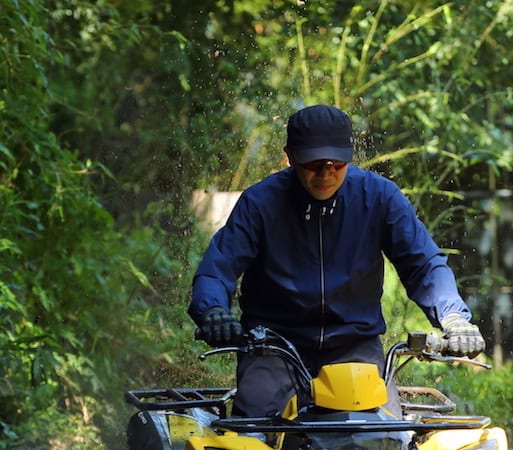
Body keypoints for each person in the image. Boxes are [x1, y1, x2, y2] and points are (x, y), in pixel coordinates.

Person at [188, 104, 484, 417]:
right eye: (315, 163)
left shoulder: (379, 198)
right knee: (255, 433)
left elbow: (423, 264)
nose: (326, 172)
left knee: (384, 440)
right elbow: (216, 270)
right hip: (272, 347)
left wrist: (454, 318)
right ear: (291, 157)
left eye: (336, 163)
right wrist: (213, 311)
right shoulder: (261, 203)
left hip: (355, 347)